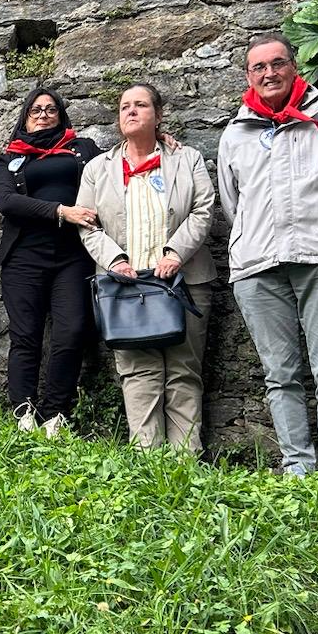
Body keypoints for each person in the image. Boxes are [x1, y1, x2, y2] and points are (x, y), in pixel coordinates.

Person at [217, 33, 318, 477]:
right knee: (279, 374)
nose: (269, 74)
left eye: (277, 63)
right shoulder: (235, 134)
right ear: (248, 75)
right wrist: (250, 236)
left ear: (294, 66)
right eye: (258, 68)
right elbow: (233, 202)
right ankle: (297, 471)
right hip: (257, 265)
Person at [78, 84, 217, 452]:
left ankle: (186, 461)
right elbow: (87, 225)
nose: (131, 111)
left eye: (141, 105)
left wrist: (175, 253)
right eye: (125, 106)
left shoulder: (186, 159)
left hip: (183, 280)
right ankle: (147, 461)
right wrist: (115, 260)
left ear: (158, 114)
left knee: (184, 371)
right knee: (138, 373)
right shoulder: (97, 169)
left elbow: (204, 210)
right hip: (126, 286)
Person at [0, 87, 102, 437]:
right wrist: (60, 211)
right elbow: (7, 202)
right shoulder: (7, 158)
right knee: (25, 337)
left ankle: (56, 414)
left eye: (51, 109)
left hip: (73, 257)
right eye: (36, 109)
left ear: (61, 115)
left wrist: (159, 135)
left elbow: (121, 162)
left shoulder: (82, 149)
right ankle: (23, 411)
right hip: (24, 257)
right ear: (24, 116)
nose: (43, 114)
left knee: (70, 333)